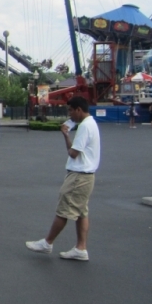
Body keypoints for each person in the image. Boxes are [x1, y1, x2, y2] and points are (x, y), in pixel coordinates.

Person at [26, 96, 100, 261]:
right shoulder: (91, 123)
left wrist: (66, 136)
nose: (70, 114)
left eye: (71, 110)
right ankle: (81, 248)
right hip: (87, 176)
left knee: (64, 210)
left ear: (79, 109)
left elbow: (73, 153)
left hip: (79, 176)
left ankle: (47, 242)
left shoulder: (84, 127)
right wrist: (66, 135)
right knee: (81, 212)